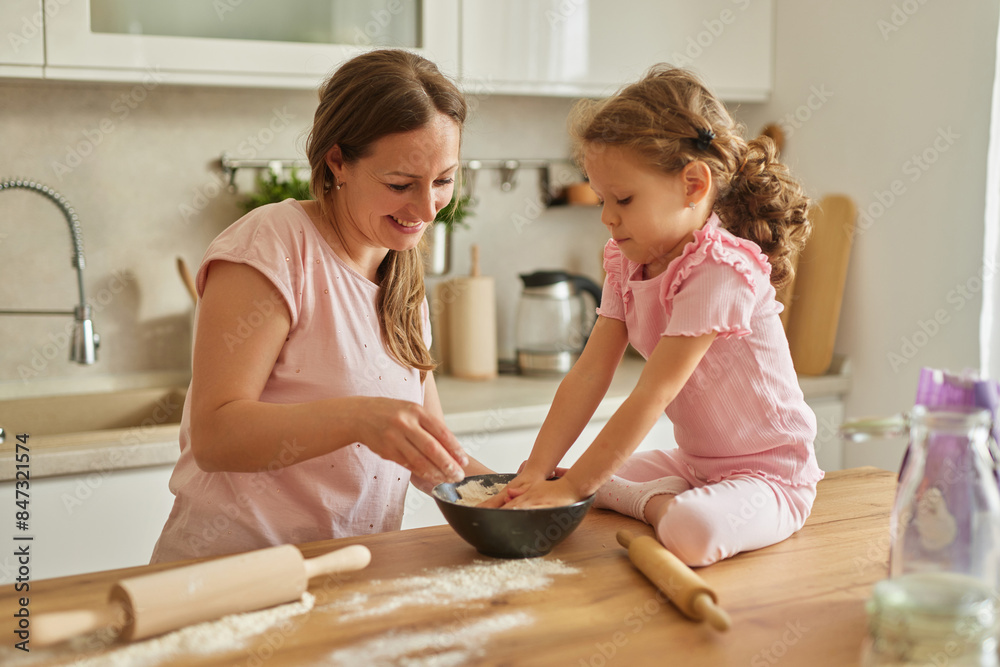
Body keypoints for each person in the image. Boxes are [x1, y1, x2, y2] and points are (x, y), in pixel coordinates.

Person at [151, 49, 490, 564]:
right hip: (231, 583)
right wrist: (359, 419)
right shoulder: (273, 244)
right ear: (338, 162)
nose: (426, 210)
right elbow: (217, 435)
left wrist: (517, 493)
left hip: (344, 583)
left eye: (443, 180)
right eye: (400, 184)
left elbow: (430, 455)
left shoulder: (401, 274)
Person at [484, 65, 822, 567]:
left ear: (692, 184)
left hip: (770, 477)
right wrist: (539, 470)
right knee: (564, 480)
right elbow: (589, 373)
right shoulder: (627, 262)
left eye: (623, 199)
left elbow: (653, 391)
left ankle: (665, 508)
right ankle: (661, 500)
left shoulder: (721, 270)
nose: (607, 216)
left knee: (685, 527)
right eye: (602, 198)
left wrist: (577, 484)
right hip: (693, 466)